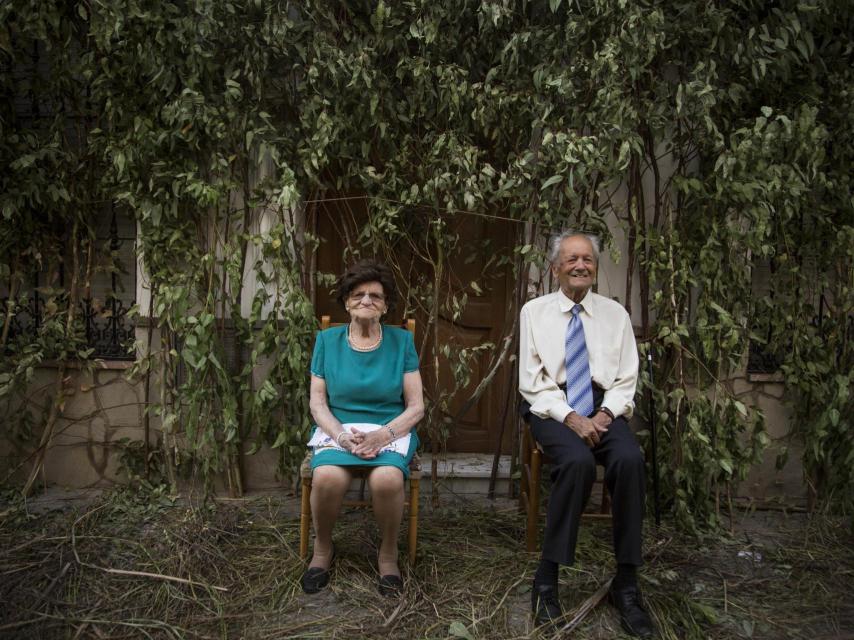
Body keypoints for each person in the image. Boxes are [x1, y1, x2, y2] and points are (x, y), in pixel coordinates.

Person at [518, 231, 655, 637]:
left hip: (604, 405)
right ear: (556, 267)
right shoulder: (534, 312)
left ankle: (626, 583)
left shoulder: (615, 315)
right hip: (551, 404)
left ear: (595, 267)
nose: (580, 265)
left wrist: (605, 413)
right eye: (571, 259)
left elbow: (627, 376)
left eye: (588, 260)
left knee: (630, 461)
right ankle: (547, 580)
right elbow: (531, 379)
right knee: (576, 463)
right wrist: (572, 417)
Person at [301, 259, 424, 597]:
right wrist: (341, 436)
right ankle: (323, 550)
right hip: (338, 428)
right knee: (326, 478)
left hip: (390, 430)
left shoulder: (401, 342)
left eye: (375, 296)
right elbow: (317, 404)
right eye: (358, 295)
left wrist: (382, 435)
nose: (366, 301)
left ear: (385, 306)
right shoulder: (327, 341)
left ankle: (387, 554)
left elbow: (416, 406)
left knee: (386, 479)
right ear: (345, 301)